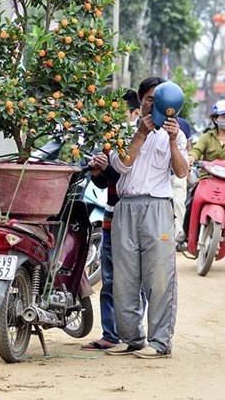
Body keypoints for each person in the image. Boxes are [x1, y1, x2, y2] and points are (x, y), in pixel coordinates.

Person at [105, 77, 189, 359]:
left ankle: (160, 342)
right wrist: (139, 135)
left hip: (157, 207)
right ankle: (131, 339)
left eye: (161, 100)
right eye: (150, 98)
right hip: (126, 207)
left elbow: (181, 172)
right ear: (140, 99)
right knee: (124, 277)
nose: (155, 104)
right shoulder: (124, 130)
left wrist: (174, 140)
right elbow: (120, 166)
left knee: (160, 277)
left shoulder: (176, 133)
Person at [81, 89, 141, 350]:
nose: (113, 119)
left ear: (134, 114)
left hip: (133, 217)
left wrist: (108, 169)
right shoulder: (109, 140)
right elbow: (106, 183)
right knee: (109, 278)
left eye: (119, 114)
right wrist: (97, 171)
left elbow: (131, 182)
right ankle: (110, 334)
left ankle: (134, 334)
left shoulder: (140, 144)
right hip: (111, 216)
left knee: (134, 280)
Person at [176, 99, 225, 245]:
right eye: (223, 117)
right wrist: (191, 158)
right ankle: (185, 232)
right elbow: (196, 150)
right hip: (207, 178)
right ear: (216, 119)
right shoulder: (207, 137)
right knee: (191, 202)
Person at [171, 117, 192, 237]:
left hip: (177, 175)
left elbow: (188, 149)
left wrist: (187, 172)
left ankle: (176, 237)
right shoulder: (151, 124)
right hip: (158, 176)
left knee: (178, 203)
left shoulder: (184, 124)